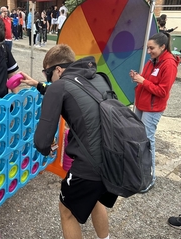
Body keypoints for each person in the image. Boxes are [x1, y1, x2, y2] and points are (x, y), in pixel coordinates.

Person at [20, 44, 118, 239]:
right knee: (95, 199)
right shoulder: (98, 77)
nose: (49, 80)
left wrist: (48, 148)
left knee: (67, 212)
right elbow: (75, 93)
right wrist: (39, 84)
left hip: (91, 164)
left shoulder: (59, 86)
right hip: (114, 157)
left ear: (57, 70)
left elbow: (41, 142)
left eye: (48, 74)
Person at [129, 32, 180, 192]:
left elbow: (163, 91)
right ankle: (138, 171)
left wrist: (143, 81)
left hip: (153, 108)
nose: (149, 51)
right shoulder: (153, 61)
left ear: (163, 47)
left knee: (148, 141)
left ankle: (149, 177)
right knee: (136, 137)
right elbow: (146, 80)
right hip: (142, 105)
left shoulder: (169, 64)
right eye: (148, 48)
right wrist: (138, 77)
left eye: (152, 48)